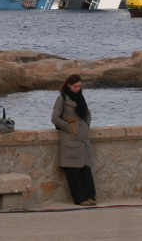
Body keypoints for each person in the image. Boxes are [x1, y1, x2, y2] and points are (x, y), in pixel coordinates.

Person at [51, 74, 96, 206]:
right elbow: (55, 118)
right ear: (69, 85)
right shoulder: (62, 99)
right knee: (73, 171)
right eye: (75, 86)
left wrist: (86, 125)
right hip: (70, 137)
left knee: (85, 169)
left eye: (79, 86)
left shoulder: (81, 98)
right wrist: (69, 128)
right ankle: (80, 198)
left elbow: (87, 114)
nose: (78, 89)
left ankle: (90, 196)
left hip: (82, 137)